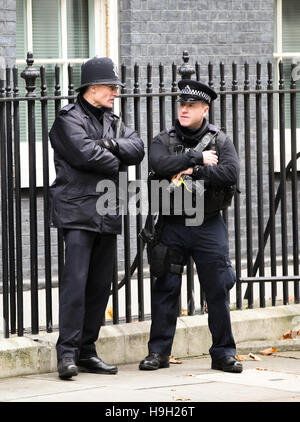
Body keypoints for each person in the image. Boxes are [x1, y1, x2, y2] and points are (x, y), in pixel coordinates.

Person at [49, 57, 144, 380]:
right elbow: (83, 154)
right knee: (76, 284)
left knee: (100, 285)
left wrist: (108, 145)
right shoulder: (67, 120)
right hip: (76, 210)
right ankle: (67, 354)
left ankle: (87, 351)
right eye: (111, 87)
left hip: (107, 208)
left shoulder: (112, 121)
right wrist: (113, 155)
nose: (115, 92)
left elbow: (137, 148)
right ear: (93, 88)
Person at [139, 79, 242, 373]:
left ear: (204, 109)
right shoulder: (164, 139)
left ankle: (223, 353)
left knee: (217, 289)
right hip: (172, 225)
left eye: (191, 105)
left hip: (209, 224)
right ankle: (158, 353)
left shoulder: (220, 140)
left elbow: (230, 172)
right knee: (166, 289)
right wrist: (197, 160)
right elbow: (159, 164)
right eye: (181, 104)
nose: (184, 109)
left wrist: (190, 169)